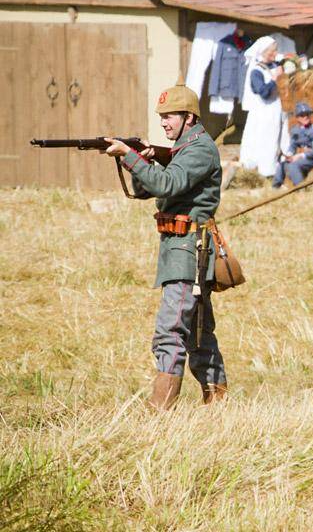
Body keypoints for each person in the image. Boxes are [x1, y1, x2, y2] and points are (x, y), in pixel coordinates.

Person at [103, 79, 227, 410]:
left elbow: (167, 184)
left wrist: (130, 156)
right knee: (198, 334)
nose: (163, 122)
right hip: (180, 249)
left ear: (189, 117)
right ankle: (218, 405)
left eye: (170, 116)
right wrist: (142, 160)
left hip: (190, 250)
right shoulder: (184, 150)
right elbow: (148, 190)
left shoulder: (199, 150)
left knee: (171, 331)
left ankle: (159, 411)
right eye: (161, 117)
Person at [239, 36, 286, 178]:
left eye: (275, 50)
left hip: (274, 111)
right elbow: (264, 93)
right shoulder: (256, 71)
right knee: (263, 140)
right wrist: (275, 79)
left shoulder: (273, 66)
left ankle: (270, 169)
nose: (275, 53)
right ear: (263, 52)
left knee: (273, 140)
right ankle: (261, 171)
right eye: (272, 51)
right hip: (263, 113)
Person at [273, 101, 313, 188]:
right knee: (283, 163)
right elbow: (293, 145)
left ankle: (301, 188)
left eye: (307, 114)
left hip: (309, 158)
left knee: (293, 165)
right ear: (297, 118)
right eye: (302, 115)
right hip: (299, 156)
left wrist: (301, 155)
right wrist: (289, 155)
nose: (306, 117)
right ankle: (276, 186)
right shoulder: (295, 130)